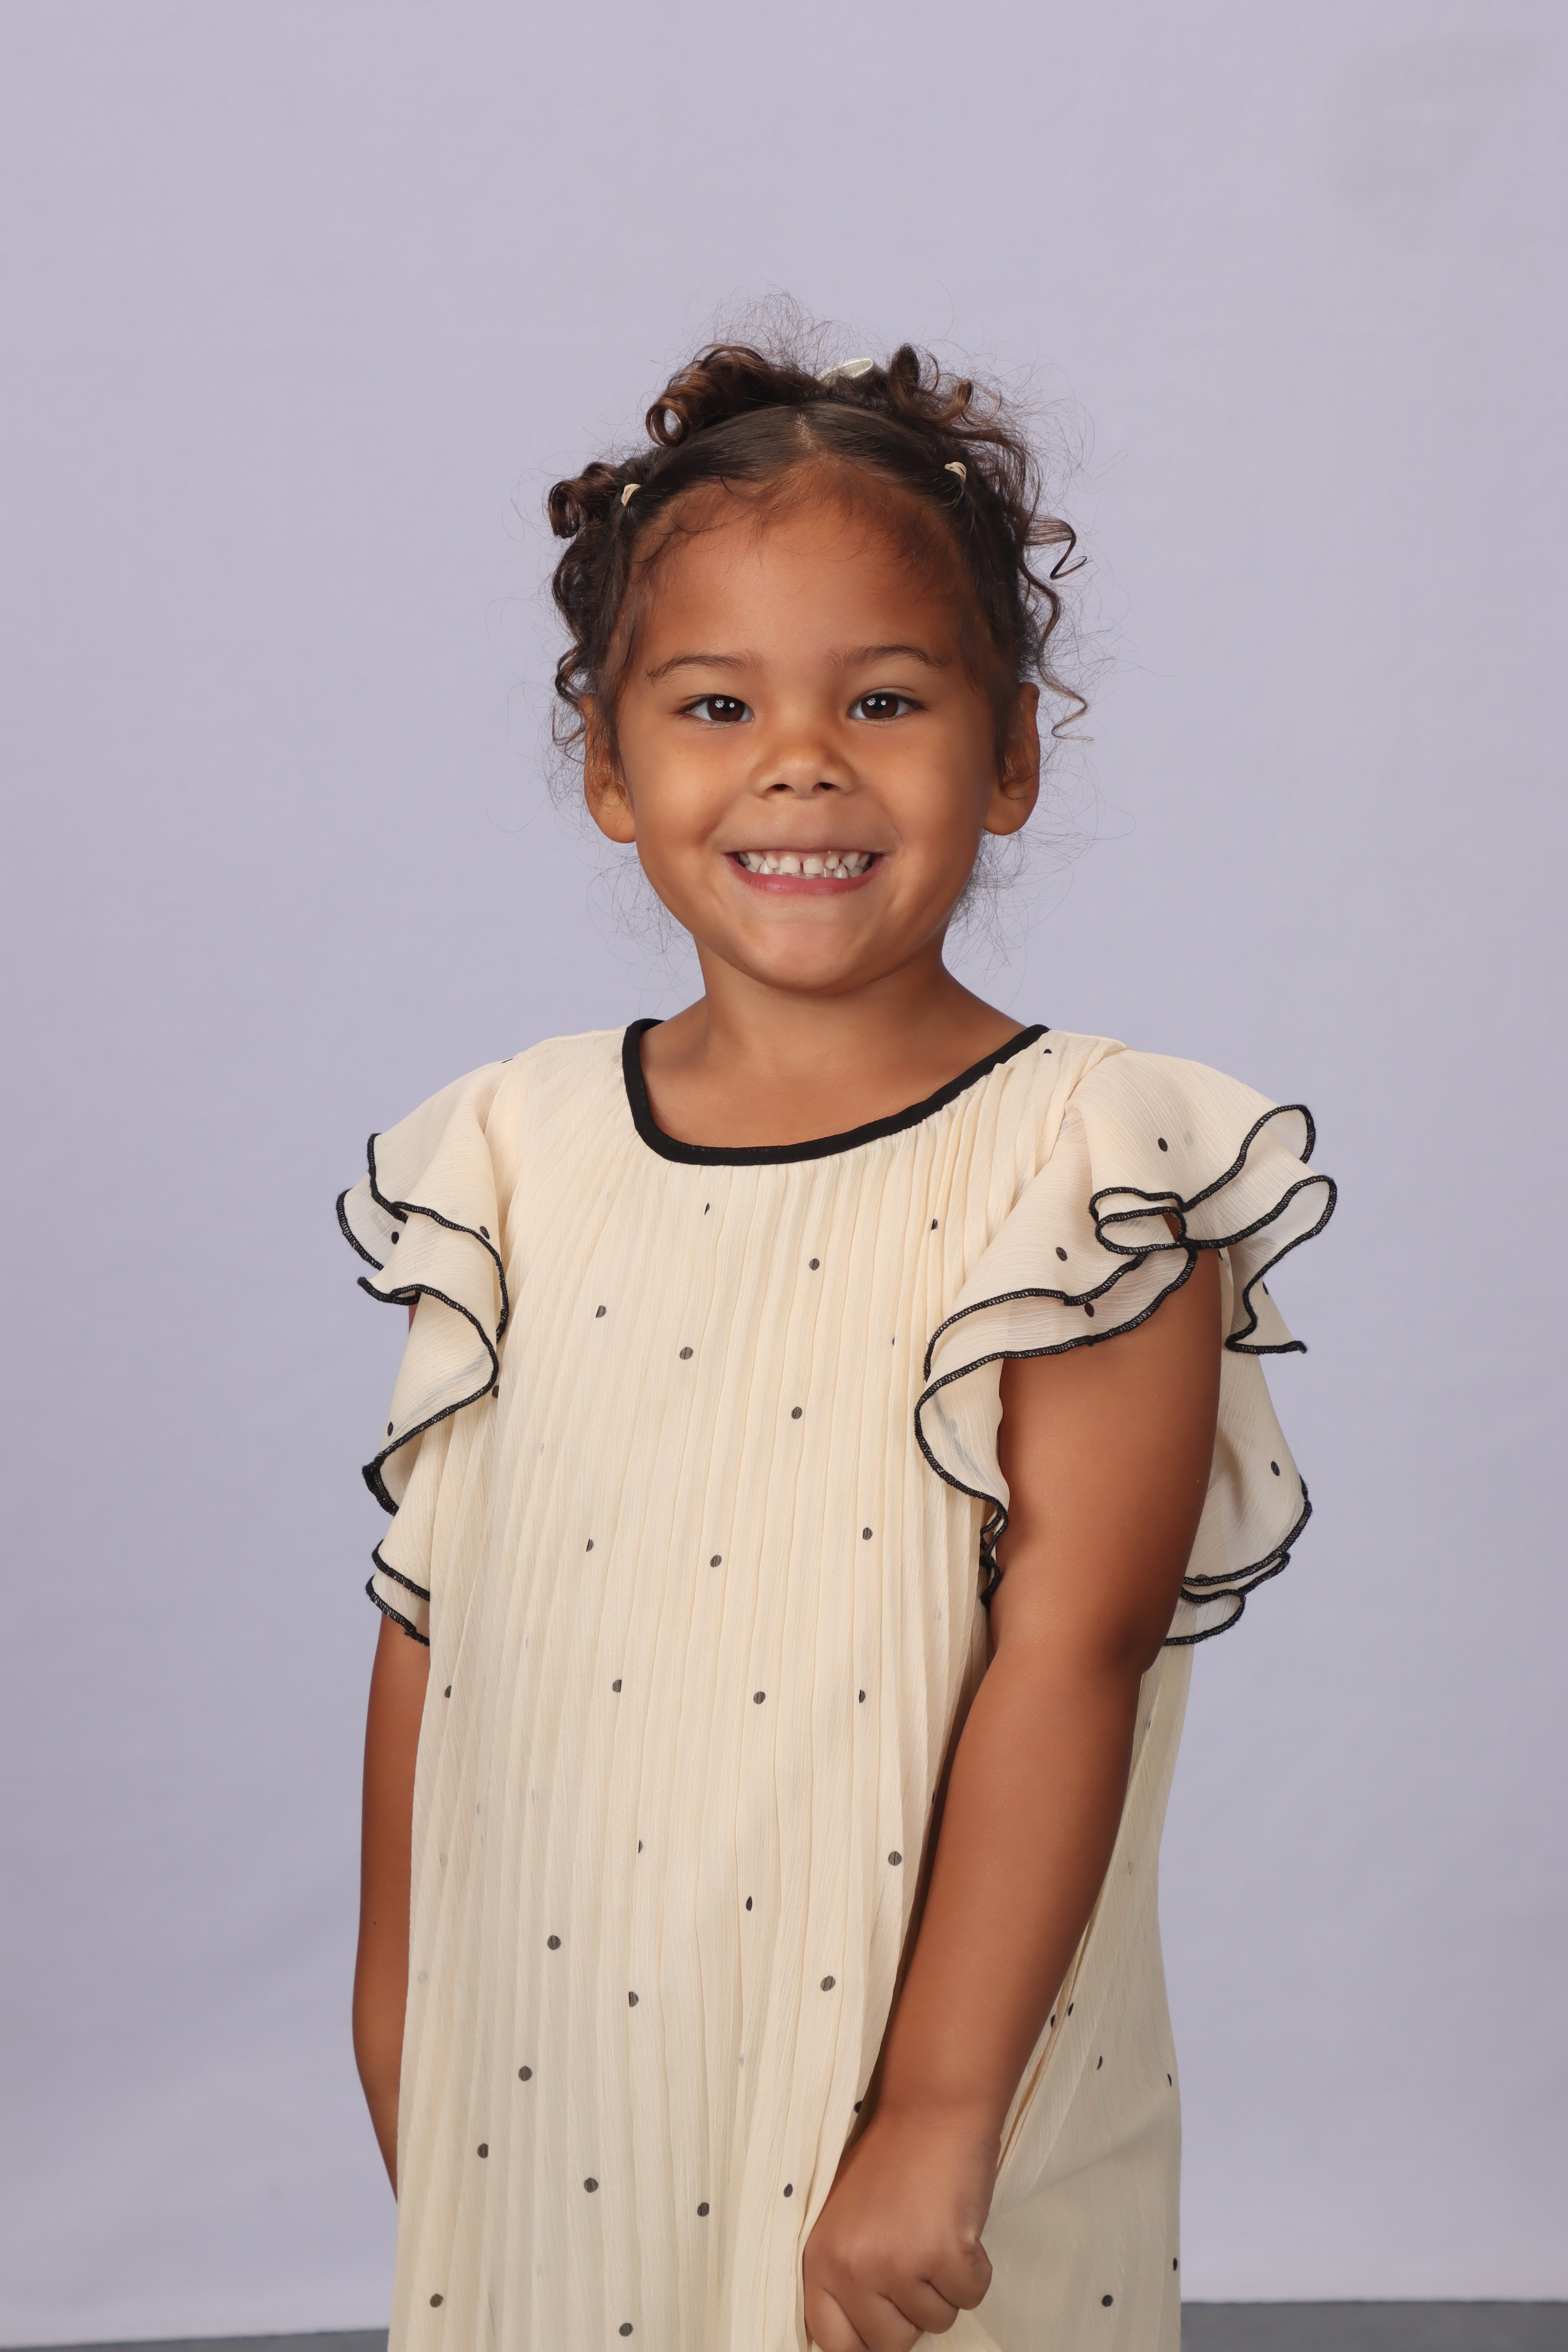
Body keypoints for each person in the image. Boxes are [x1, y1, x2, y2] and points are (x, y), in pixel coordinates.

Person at [343, 337, 1335, 2352]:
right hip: (562, 2076)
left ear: (1012, 753)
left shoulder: (1093, 1170)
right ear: (611, 765)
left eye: (883, 700)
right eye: (717, 706)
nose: (800, 763)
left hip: (912, 2098)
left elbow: (1071, 1654)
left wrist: (940, 2115)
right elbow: (433, 1626)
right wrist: (401, 2020)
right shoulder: (512, 1153)